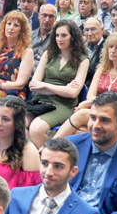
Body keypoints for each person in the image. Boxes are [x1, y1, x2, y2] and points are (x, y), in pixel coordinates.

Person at [56, 31, 117, 139]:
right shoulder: (103, 68)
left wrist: (90, 103)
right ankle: (52, 146)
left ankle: (49, 146)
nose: (113, 51)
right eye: (111, 47)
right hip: (98, 112)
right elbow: (90, 95)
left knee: (81, 115)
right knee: (79, 132)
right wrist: (91, 102)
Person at [27, 19, 90, 147]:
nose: (59, 39)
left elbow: (73, 93)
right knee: (15, 123)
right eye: (57, 35)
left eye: (64, 35)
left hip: (63, 105)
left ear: (73, 37)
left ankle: (46, 155)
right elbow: (33, 85)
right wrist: (63, 89)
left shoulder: (83, 60)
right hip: (40, 100)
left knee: (36, 129)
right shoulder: (48, 54)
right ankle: (33, 156)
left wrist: (45, 85)